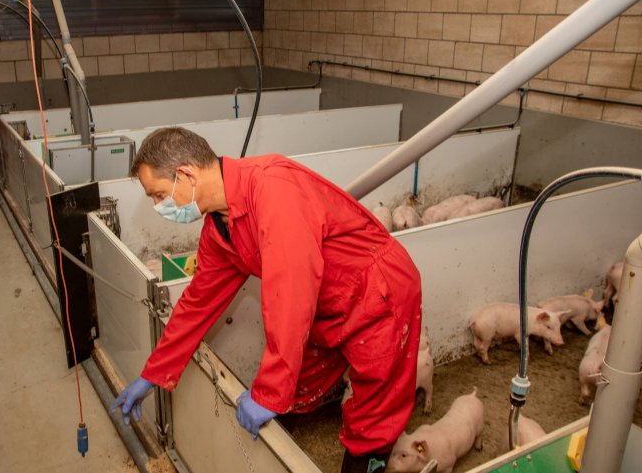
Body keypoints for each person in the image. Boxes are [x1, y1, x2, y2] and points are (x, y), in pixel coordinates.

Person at [111, 127, 422, 473]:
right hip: (326, 300)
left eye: (158, 195)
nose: (158, 207)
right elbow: (196, 304)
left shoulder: (273, 190)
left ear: (185, 174)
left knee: (373, 414)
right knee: (298, 385)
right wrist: (153, 374)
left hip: (378, 293)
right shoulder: (219, 228)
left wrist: (268, 393)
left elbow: (289, 295)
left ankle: (367, 462)